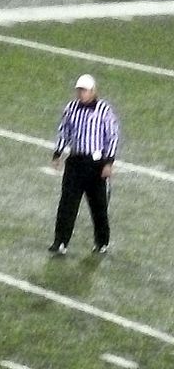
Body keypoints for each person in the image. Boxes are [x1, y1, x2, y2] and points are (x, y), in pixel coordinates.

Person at [49, 74, 119, 256]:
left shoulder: (104, 110)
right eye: (79, 90)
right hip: (75, 161)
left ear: (93, 90)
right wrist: (58, 153)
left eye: (84, 90)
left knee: (98, 205)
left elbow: (112, 136)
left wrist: (108, 162)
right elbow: (64, 131)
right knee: (67, 204)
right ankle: (61, 241)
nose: (81, 93)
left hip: (95, 164)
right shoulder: (71, 108)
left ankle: (102, 241)